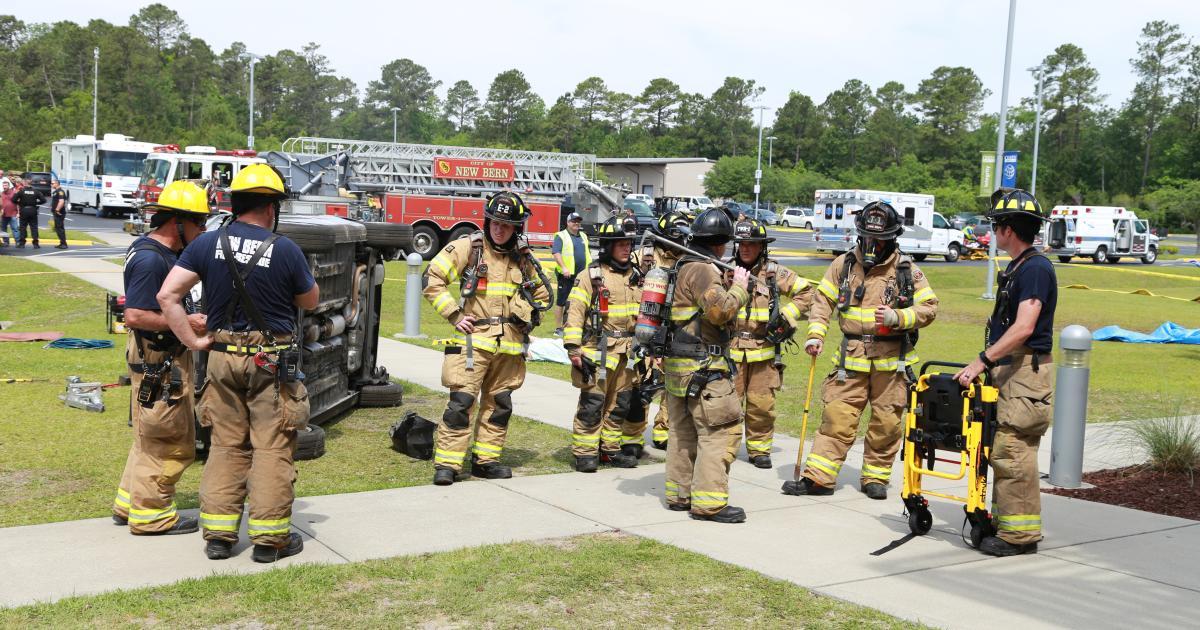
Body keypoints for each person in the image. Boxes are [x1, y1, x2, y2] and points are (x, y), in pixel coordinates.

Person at [158, 164, 319, 563]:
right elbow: (310, 301)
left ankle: (219, 537)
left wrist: (194, 340)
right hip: (270, 364)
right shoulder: (285, 249)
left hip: (221, 359)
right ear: (270, 207)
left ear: (236, 202)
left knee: (226, 446)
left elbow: (167, 297)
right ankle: (269, 541)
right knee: (271, 447)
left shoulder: (206, 243)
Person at [784, 201, 938, 500]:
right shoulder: (843, 265)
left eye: (879, 239)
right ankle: (819, 478)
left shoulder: (906, 270)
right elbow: (822, 303)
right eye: (867, 236)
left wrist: (899, 318)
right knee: (836, 417)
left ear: (892, 238)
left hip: (891, 363)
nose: (872, 244)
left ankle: (875, 478)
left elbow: (929, 308)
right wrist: (815, 335)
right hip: (850, 359)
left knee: (887, 422)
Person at [423, 191, 550, 486]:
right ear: (487, 219)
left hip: (510, 347)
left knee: (499, 406)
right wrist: (454, 315)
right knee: (460, 404)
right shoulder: (470, 247)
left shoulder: (523, 257)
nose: (499, 228)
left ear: (516, 228)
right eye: (495, 221)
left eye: (506, 224)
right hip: (474, 345)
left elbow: (543, 296)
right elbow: (432, 278)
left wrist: (527, 314)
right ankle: (448, 465)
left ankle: (486, 461)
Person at [954, 188, 1056, 557]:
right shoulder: (1021, 267)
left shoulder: (1035, 269)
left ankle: (1020, 537)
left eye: (996, 224)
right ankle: (1009, 523)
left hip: (1025, 374)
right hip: (1011, 371)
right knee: (1002, 448)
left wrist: (982, 360)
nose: (993, 231)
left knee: (1014, 450)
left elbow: (1025, 326)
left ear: (1009, 229)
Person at [111, 181, 211, 535]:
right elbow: (135, 316)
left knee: (147, 436)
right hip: (159, 362)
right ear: (178, 222)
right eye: (199, 223)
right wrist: (186, 321)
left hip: (156, 360)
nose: (202, 231)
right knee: (169, 440)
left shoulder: (153, 250)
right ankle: (151, 515)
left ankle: (129, 502)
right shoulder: (152, 259)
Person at [662, 207, 751, 523]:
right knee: (719, 431)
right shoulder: (702, 270)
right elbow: (720, 312)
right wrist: (740, 286)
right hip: (704, 368)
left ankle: (679, 495)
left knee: (683, 432)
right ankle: (709, 503)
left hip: (679, 367)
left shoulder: (682, 265)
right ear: (721, 243)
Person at [727, 219, 814, 469]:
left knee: (762, 404)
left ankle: (759, 449)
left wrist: (787, 315)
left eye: (751, 244)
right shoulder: (725, 270)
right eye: (741, 244)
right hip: (730, 351)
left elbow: (807, 293)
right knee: (728, 404)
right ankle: (725, 449)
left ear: (762, 247)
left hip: (764, 352)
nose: (745, 249)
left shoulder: (774, 273)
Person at [564, 216, 644, 472]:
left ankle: (609, 451)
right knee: (592, 405)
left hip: (628, 354)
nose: (626, 248)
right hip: (597, 353)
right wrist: (573, 348)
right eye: (620, 243)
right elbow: (574, 311)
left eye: (629, 243)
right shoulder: (591, 275)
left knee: (619, 406)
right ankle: (585, 453)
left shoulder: (638, 276)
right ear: (608, 246)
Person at [643, 211, 692, 450]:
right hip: (646, 326)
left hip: (673, 329)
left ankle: (663, 431)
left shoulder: (688, 260)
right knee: (642, 383)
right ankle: (630, 434)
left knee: (669, 384)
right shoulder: (646, 257)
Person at [551, 212, 588, 336]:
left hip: (582, 276)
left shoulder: (583, 236)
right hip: (566, 275)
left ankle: (575, 326)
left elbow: (586, 254)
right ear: (568, 223)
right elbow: (556, 253)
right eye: (574, 221)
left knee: (579, 301)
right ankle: (558, 328)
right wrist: (564, 267)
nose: (577, 223)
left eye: (578, 221)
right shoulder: (561, 236)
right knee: (561, 301)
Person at [14, 177, 45, 249]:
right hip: (33, 210)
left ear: (25, 183)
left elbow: (13, 199)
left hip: (24, 210)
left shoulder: (21, 191)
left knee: (23, 227)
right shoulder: (36, 191)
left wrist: (20, 203)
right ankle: (36, 243)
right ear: (31, 183)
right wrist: (37, 203)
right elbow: (43, 200)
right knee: (34, 227)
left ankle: (22, 243)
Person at [50, 179, 68, 249]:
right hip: (56, 212)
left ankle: (64, 244)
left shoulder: (60, 191)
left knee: (60, 228)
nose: (51, 184)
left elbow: (61, 201)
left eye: (52, 183)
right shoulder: (56, 191)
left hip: (59, 212)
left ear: (57, 184)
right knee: (58, 228)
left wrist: (57, 209)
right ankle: (61, 243)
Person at [1, 177, 18, 247]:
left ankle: (17, 242)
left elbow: (18, 204)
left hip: (13, 214)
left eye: (6, 185)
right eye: (3, 186)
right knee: (4, 229)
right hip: (4, 215)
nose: (4, 187)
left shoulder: (14, 193)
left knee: (15, 228)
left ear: (9, 186)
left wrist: (19, 213)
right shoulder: (1, 194)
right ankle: (6, 242)